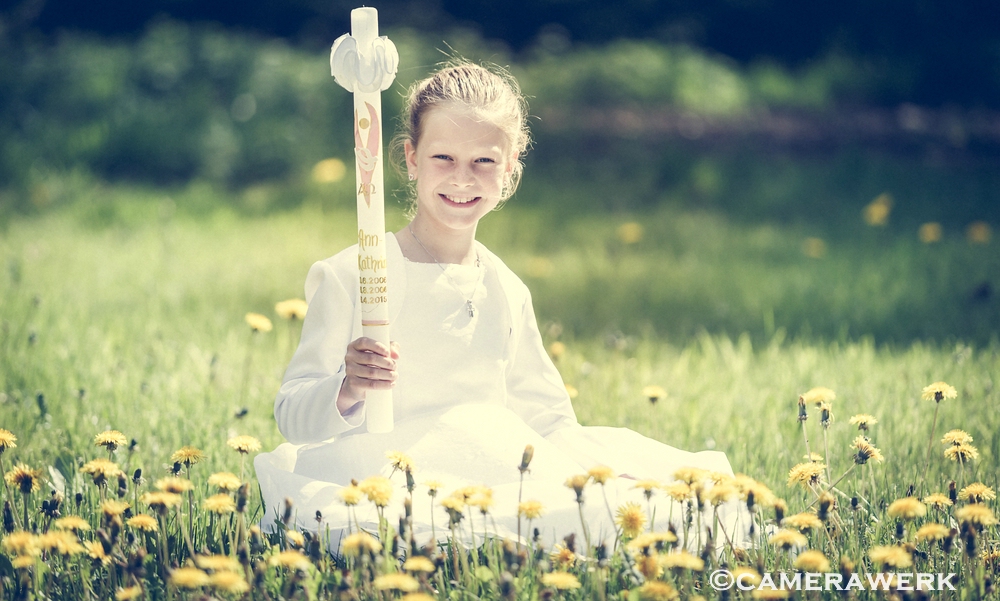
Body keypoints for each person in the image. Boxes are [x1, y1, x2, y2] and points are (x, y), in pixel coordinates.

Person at [254, 62, 750, 551]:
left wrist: (593, 472)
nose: (462, 178)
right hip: (382, 477)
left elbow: (548, 418)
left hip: (487, 467)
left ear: (510, 166)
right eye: (443, 158)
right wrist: (347, 388)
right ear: (410, 158)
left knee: (643, 504)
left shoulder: (506, 289)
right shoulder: (358, 274)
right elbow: (292, 412)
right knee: (427, 526)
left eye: (484, 161)